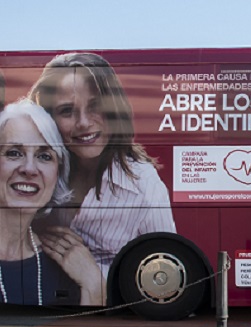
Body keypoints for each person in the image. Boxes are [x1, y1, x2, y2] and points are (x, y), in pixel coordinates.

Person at [28, 52, 175, 279]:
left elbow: (165, 270)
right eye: (67, 110)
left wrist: (92, 274)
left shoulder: (144, 184)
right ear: (49, 118)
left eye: (96, 106)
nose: (84, 123)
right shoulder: (35, 171)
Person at [0, 100, 100, 306]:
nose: (29, 169)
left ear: (57, 173)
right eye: (14, 153)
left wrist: (94, 285)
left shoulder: (66, 264)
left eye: (44, 156)